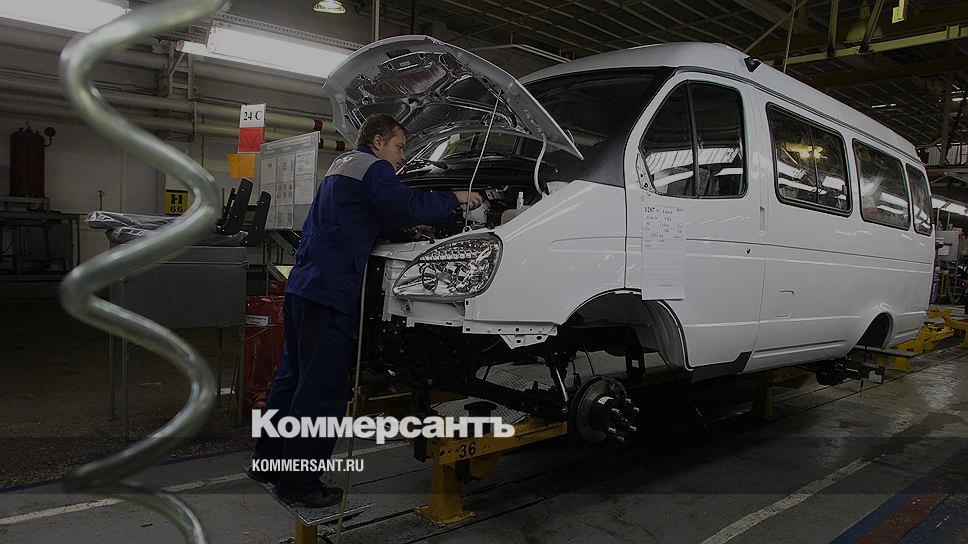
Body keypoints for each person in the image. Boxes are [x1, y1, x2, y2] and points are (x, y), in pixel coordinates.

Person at [250, 114, 482, 507]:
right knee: (322, 390)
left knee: (291, 379)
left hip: (304, 287)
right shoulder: (374, 169)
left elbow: (363, 217)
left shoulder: (342, 166)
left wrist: (403, 231)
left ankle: (268, 461)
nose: (402, 157)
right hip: (331, 293)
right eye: (399, 147)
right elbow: (406, 207)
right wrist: (456, 198)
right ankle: (301, 483)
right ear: (378, 142)